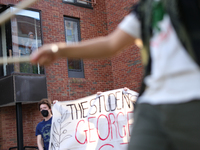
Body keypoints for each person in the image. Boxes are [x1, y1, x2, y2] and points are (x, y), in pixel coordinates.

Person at [31, 0, 200, 149]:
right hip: (151, 105)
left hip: (192, 101)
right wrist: (60, 50)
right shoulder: (145, 9)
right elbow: (111, 44)